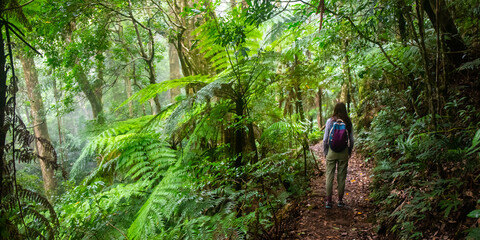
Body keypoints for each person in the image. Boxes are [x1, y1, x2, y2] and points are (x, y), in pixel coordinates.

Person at [323, 102, 354, 209]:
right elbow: (352, 140)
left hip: (331, 152)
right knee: (342, 177)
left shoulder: (329, 121)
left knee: (329, 176)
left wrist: (325, 152)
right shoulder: (348, 122)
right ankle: (340, 201)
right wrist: (349, 151)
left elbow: (325, 139)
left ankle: (328, 202)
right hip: (343, 152)